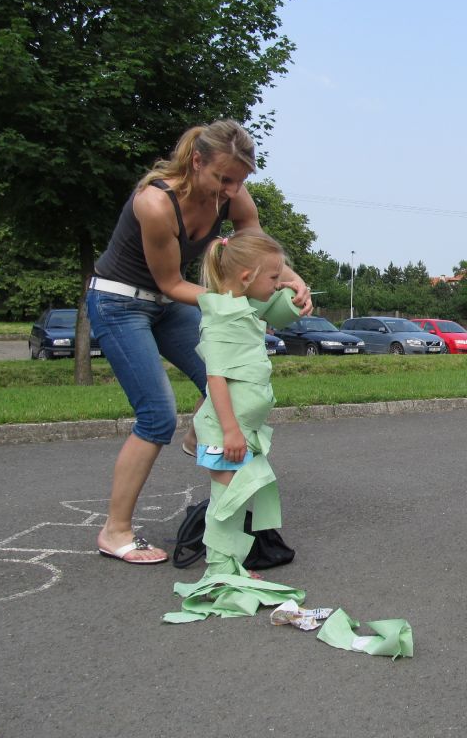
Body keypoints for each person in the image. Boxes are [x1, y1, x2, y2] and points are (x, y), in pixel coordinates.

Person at [87, 119, 311, 565]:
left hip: (169, 302)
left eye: (240, 181)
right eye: (223, 179)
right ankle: (114, 531)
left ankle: (200, 435)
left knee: (228, 379)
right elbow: (170, 282)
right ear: (196, 161)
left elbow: (256, 248)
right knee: (156, 415)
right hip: (120, 302)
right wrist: (232, 304)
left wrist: (292, 279)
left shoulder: (232, 195)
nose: (232, 190)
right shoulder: (155, 203)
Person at [163, 232, 304, 622]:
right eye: (273, 278)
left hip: (240, 431)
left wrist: (295, 291)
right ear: (246, 277)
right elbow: (216, 379)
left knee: (235, 501)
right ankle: (220, 574)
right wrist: (230, 431)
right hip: (226, 432)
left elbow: (280, 306)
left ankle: (229, 568)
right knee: (226, 504)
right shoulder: (223, 318)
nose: (278, 284)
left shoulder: (240, 306)